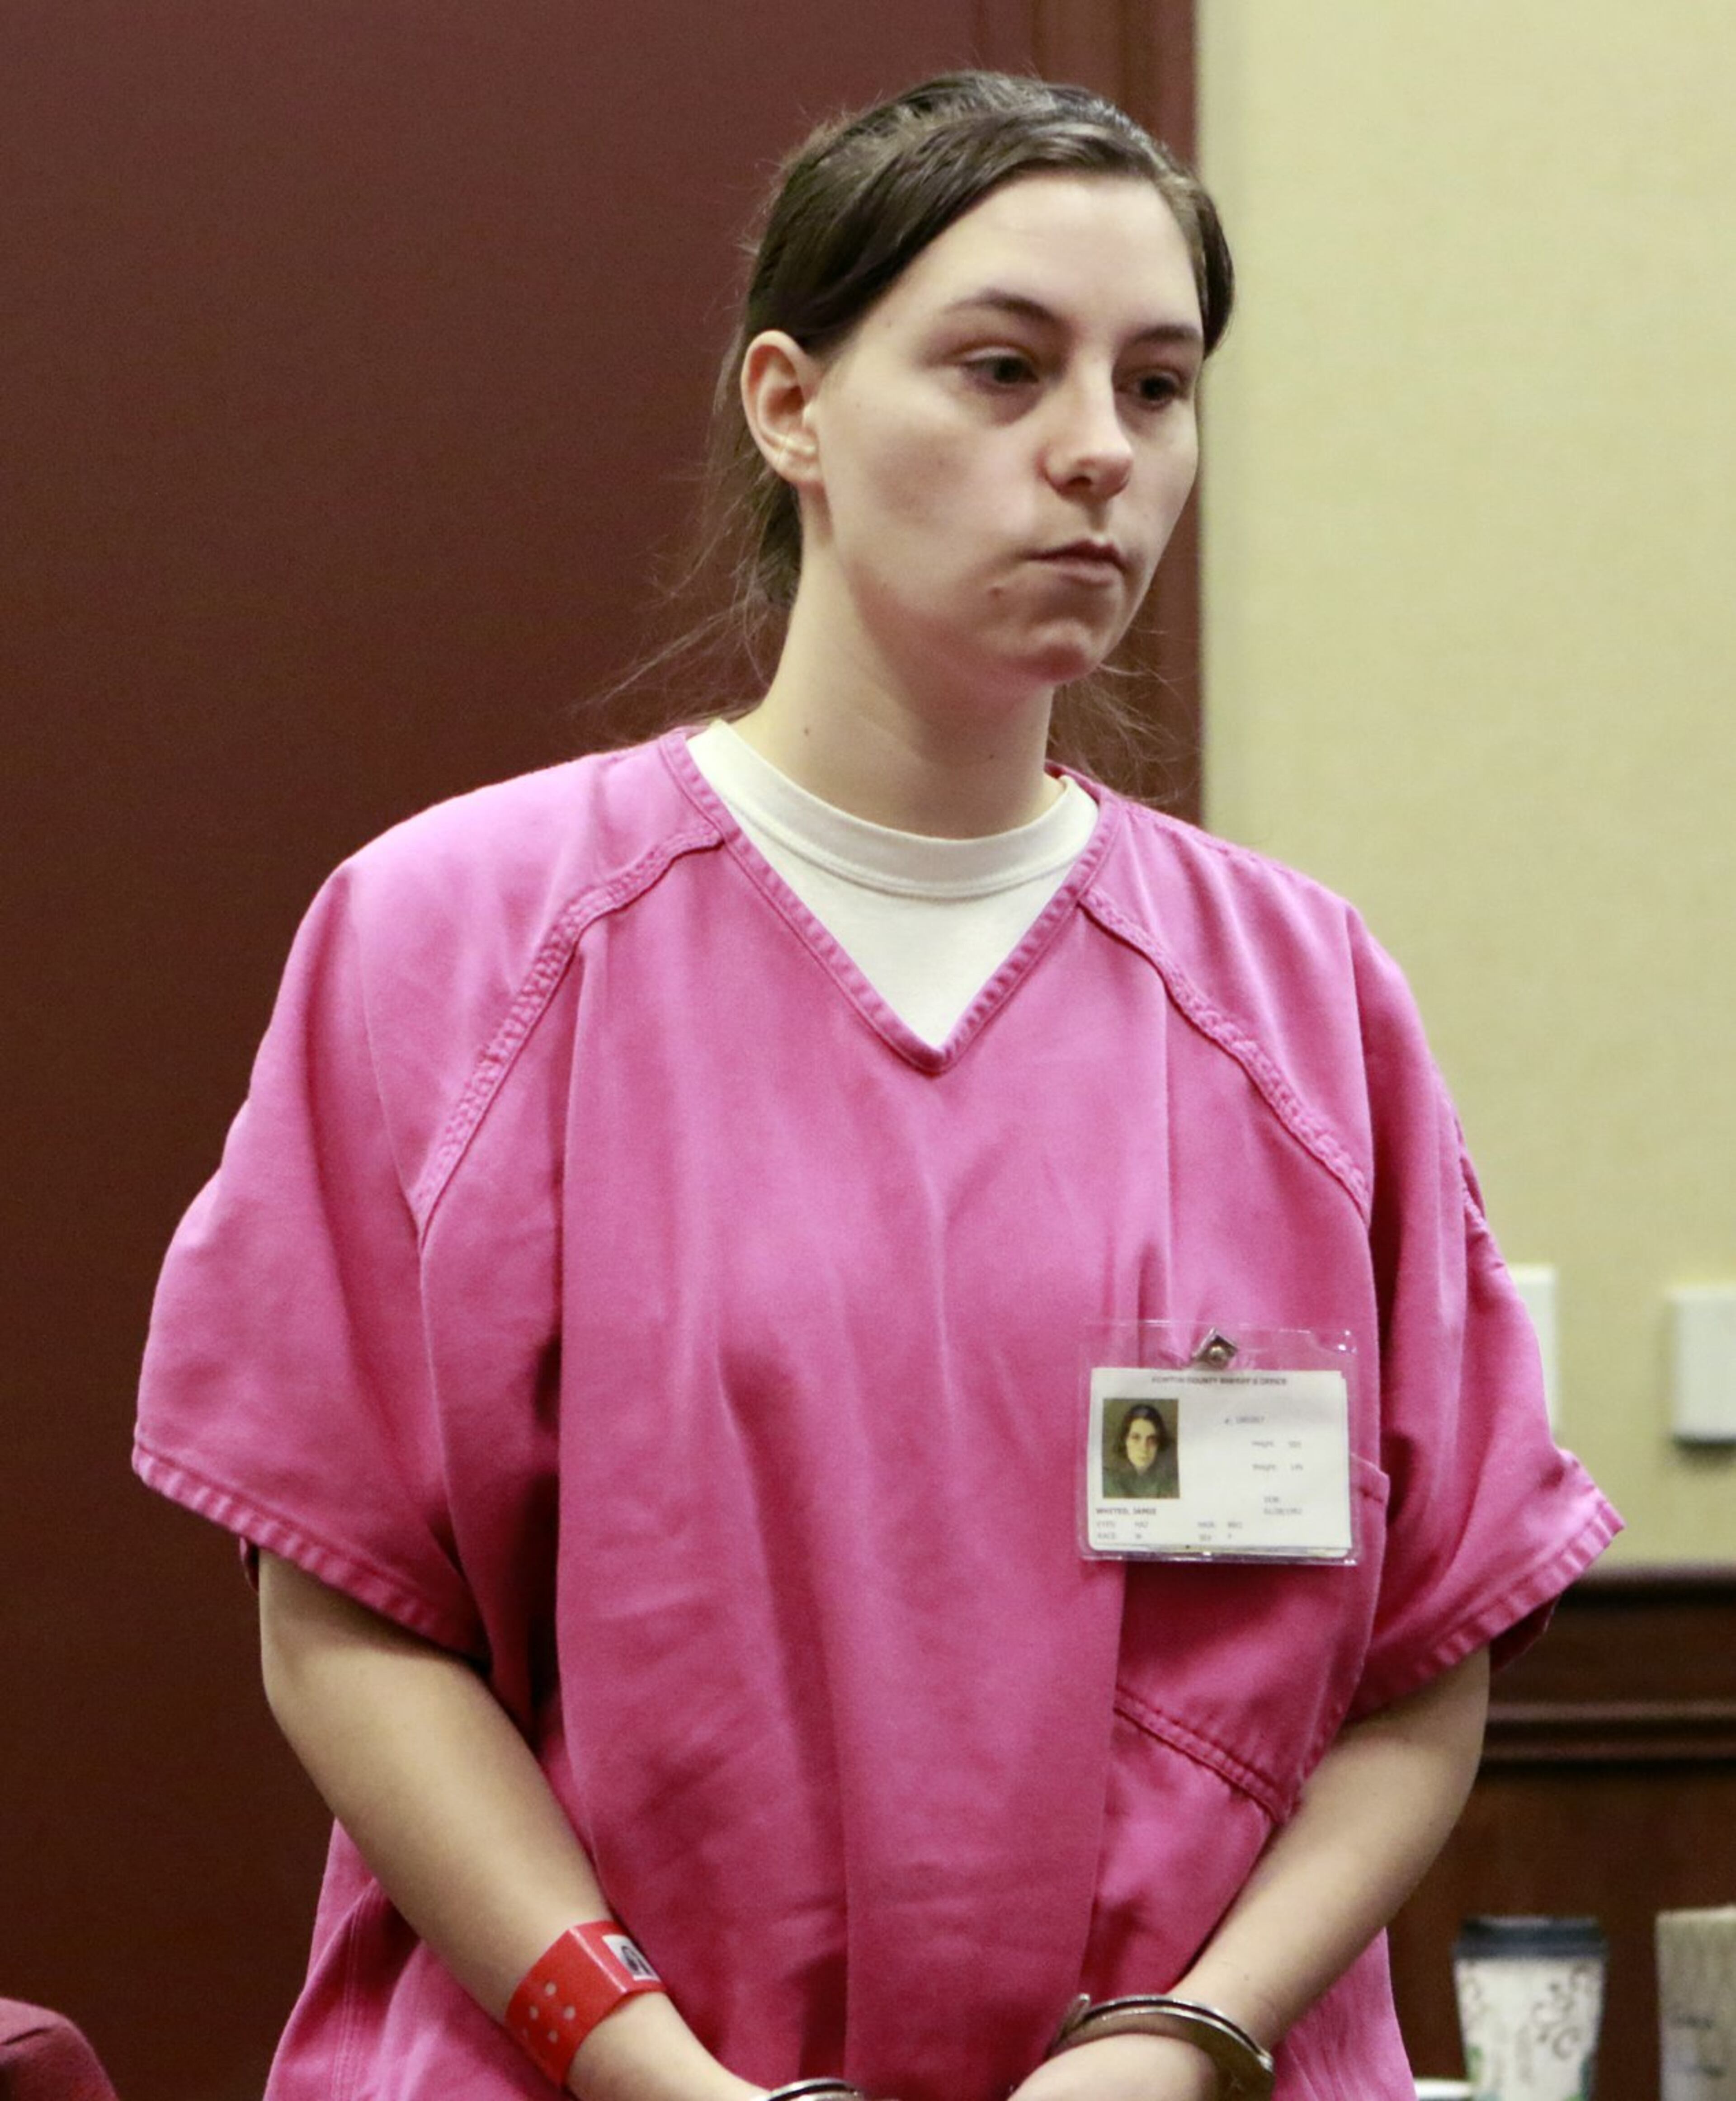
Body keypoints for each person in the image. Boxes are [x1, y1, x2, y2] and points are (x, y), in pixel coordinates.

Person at [134, 71, 1618, 2101]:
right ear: (788, 407)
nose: (1097, 452)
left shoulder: (1303, 999)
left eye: (1158, 385)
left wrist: (1184, 2040)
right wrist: (644, 2063)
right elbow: (349, 1620)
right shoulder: (460, 943)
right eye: (1003, 369)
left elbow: (1420, 1659)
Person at [1105, 1403, 1179, 1500]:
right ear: (1125, 1440)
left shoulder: (1171, 1483)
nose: (1144, 1448)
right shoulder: (1109, 1480)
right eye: (1136, 1438)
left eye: (1151, 1440)